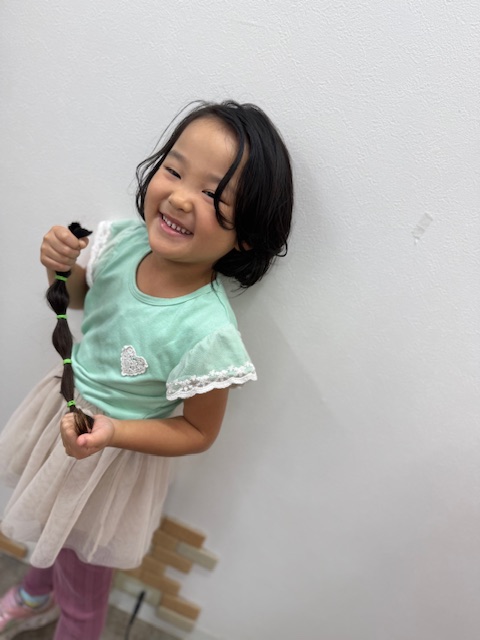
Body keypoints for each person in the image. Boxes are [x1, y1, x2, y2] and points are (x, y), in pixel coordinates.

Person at [0, 100, 293, 639]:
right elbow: (77, 298)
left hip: (108, 462)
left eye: (213, 195)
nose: (180, 197)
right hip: (62, 413)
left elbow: (198, 431)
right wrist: (59, 266)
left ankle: (66, 619)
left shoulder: (206, 330)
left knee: (83, 588)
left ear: (247, 233)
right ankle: (36, 594)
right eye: (174, 171)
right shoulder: (121, 243)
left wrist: (113, 432)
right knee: (48, 525)